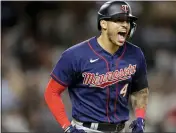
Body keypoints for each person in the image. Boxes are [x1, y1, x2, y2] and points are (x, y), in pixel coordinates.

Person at [44, 1, 149, 133]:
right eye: (118, 20)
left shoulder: (135, 53)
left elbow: (140, 90)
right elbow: (52, 92)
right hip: (86, 129)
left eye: (127, 21)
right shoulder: (76, 54)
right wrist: (67, 127)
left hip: (121, 129)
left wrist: (140, 118)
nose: (124, 25)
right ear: (103, 23)